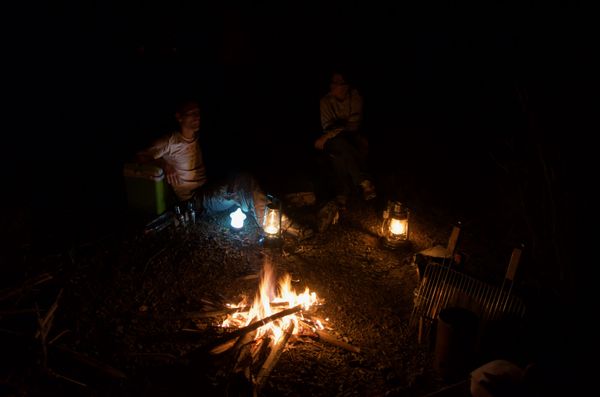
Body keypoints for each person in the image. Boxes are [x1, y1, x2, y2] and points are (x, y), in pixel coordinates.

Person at [136, 98, 313, 239]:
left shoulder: (196, 136)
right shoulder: (170, 140)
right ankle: (278, 226)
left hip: (206, 189)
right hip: (194, 201)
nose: (196, 117)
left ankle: (274, 210)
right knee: (244, 182)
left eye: (198, 113)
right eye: (190, 114)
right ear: (179, 117)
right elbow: (141, 155)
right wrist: (165, 165)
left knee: (244, 185)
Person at [314, 70, 376, 210]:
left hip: (348, 137)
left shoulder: (354, 97)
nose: (333, 86)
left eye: (338, 83)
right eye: (332, 82)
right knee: (338, 143)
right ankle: (365, 182)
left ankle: (342, 193)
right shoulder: (325, 101)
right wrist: (340, 128)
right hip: (334, 140)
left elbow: (354, 124)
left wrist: (329, 134)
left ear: (346, 86)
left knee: (339, 151)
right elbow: (327, 126)